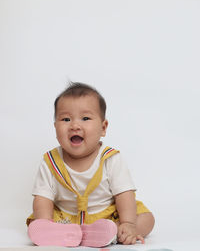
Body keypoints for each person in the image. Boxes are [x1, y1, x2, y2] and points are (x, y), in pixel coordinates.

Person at [27, 82, 155, 247]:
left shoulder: (110, 159)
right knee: (35, 224)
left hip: (108, 217)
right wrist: (45, 223)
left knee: (147, 219)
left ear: (103, 127)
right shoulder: (50, 161)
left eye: (85, 118)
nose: (74, 125)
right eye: (66, 119)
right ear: (55, 127)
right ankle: (60, 233)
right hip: (66, 218)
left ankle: (114, 231)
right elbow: (42, 198)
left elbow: (124, 195)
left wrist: (128, 223)